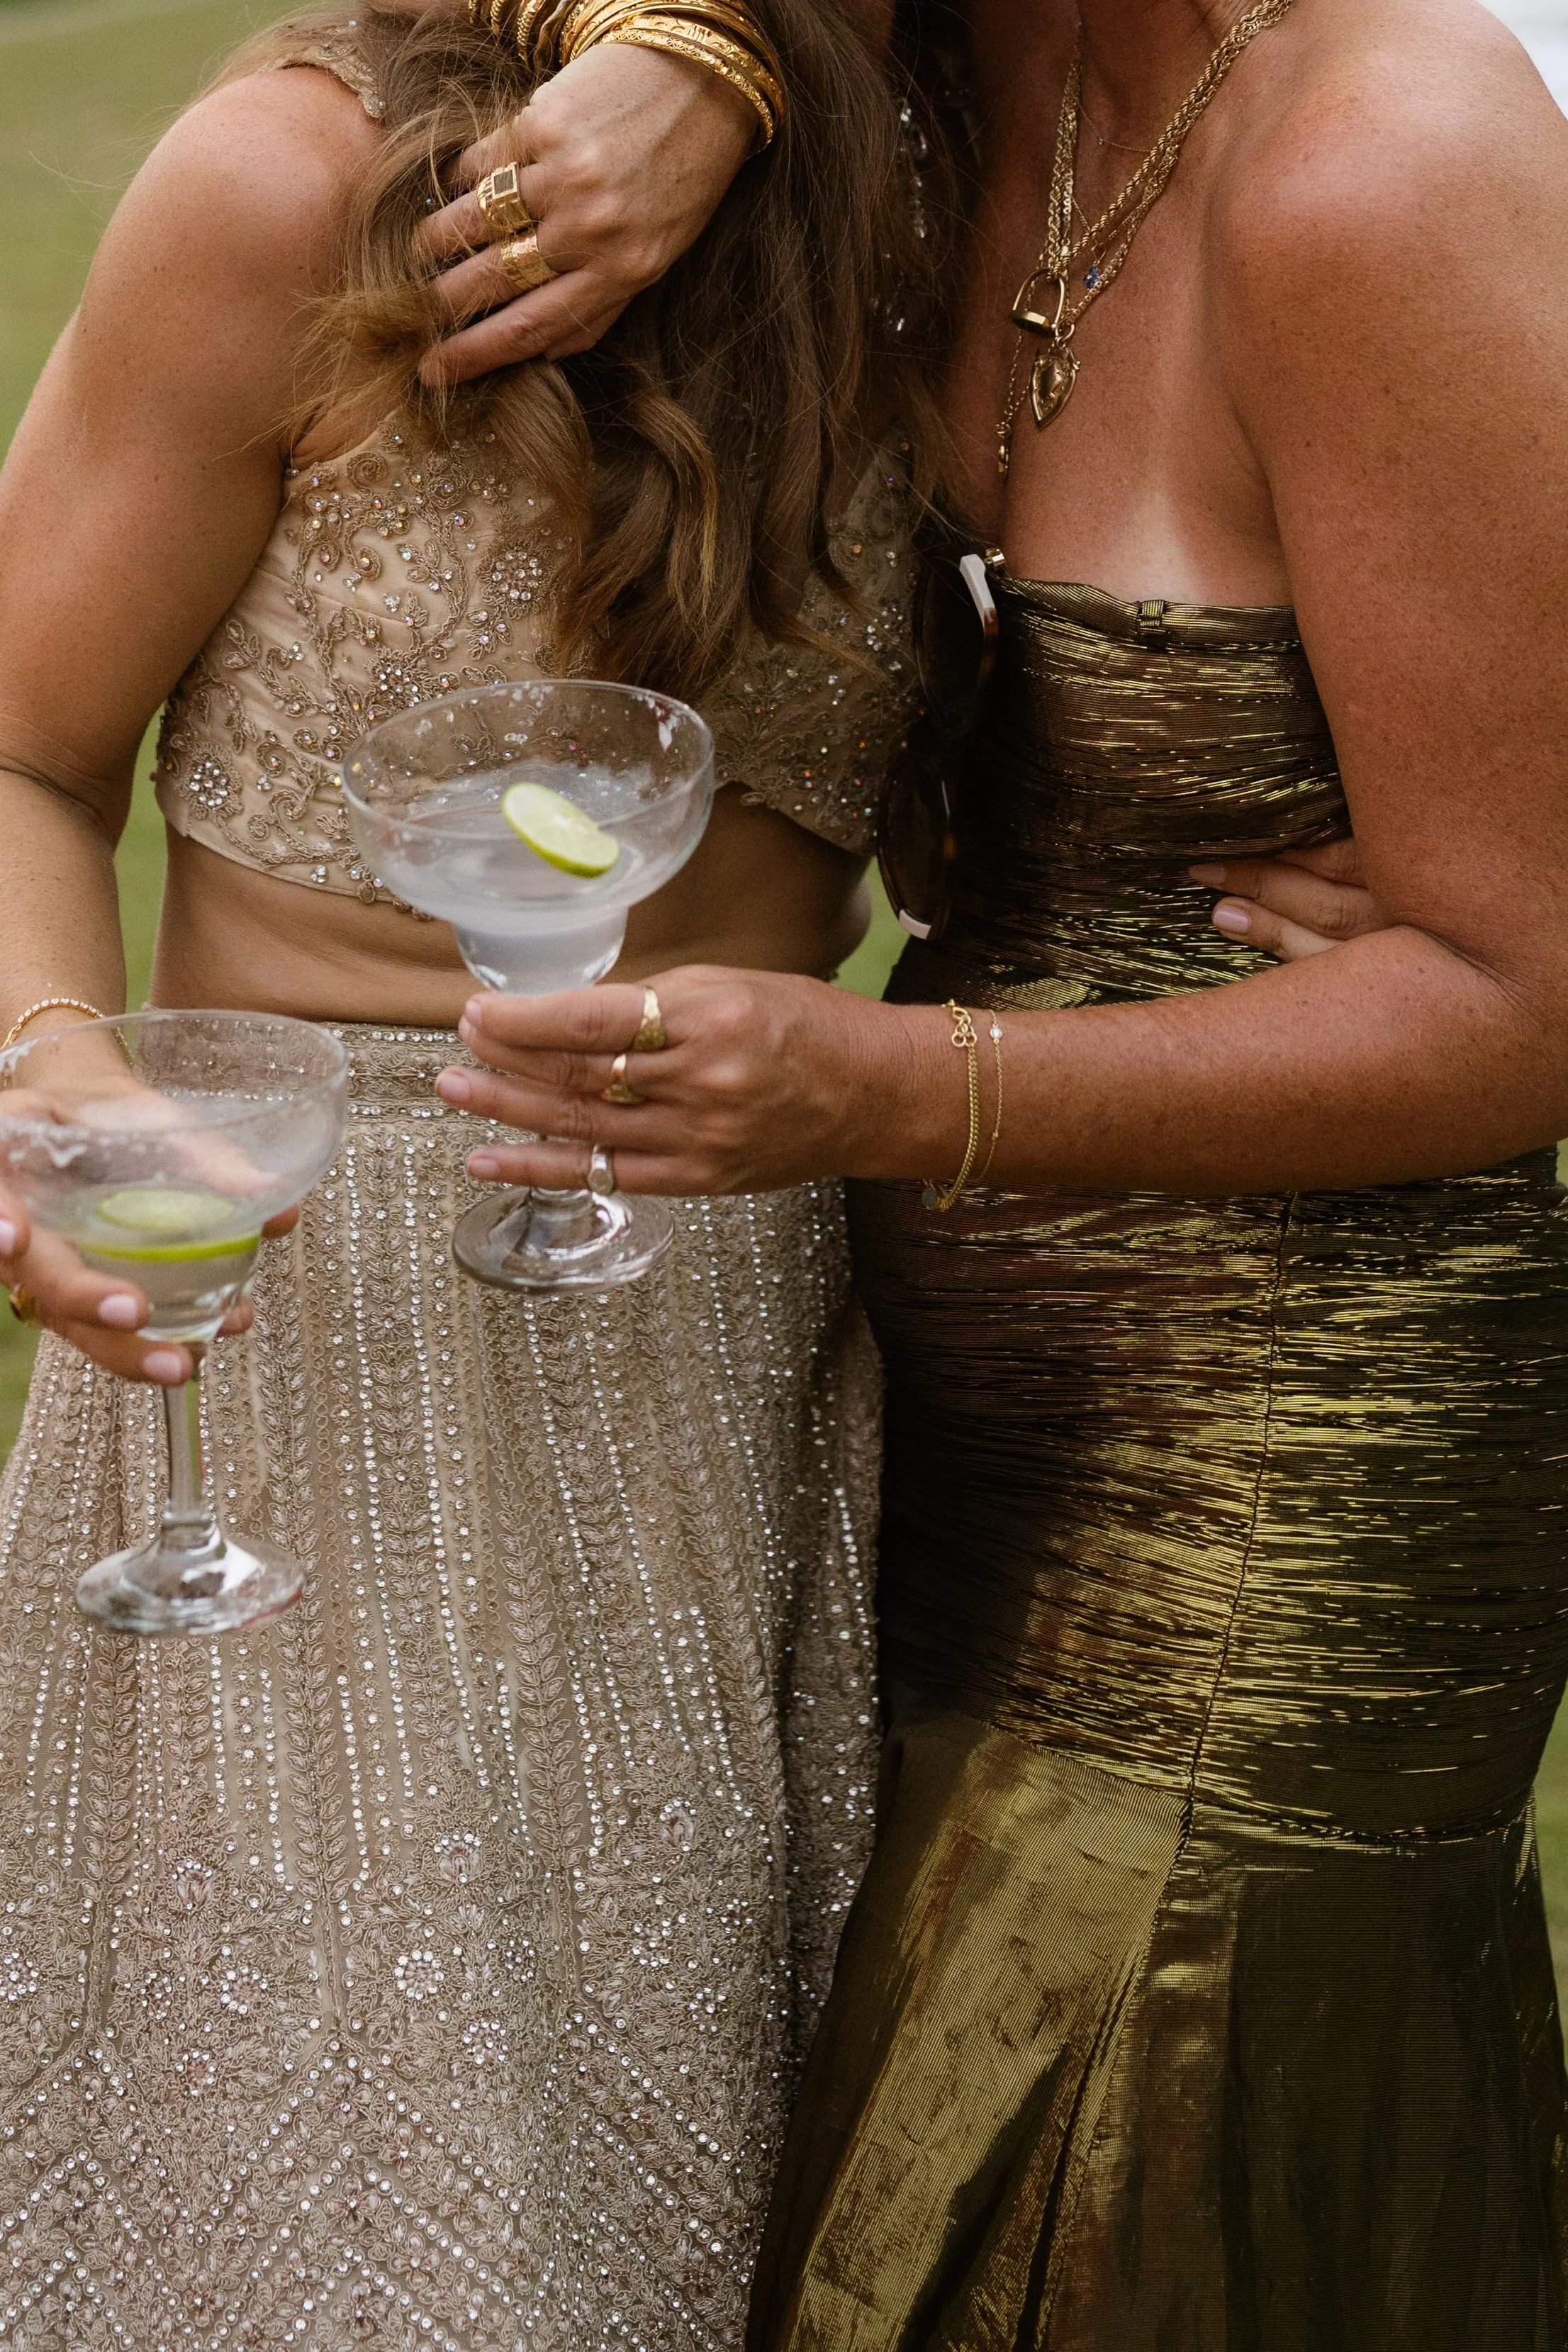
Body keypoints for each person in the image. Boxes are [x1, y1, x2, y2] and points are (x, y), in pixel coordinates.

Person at [439, 0, 1568, 2341]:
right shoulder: (945, 90)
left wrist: (887, 1084)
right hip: (934, 1454)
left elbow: (1519, 1002)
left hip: (1284, 1476)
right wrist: (686, 59)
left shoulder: (1376, 158)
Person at [0, 1, 941, 2339]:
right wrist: (54, 1076)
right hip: (307, 1372)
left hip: (734, 1371)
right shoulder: (289, 188)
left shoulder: (938, 192)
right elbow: (17, 747)